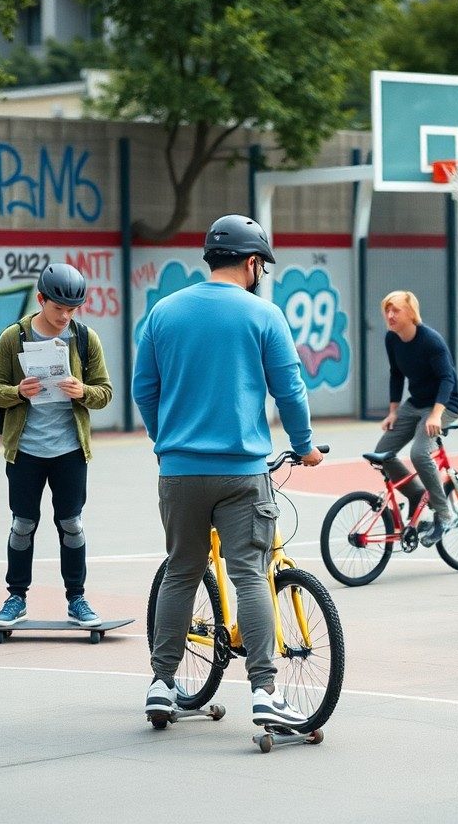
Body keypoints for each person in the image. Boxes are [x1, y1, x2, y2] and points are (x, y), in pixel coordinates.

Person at [132, 214, 324, 729]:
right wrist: (304, 446)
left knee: (181, 570)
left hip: (179, 471)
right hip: (242, 472)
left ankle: (161, 684)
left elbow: (143, 389)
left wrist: (166, 440)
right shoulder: (264, 315)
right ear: (253, 262)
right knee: (250, 575)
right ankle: (264, 691)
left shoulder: (164, 312)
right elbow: (290, 390)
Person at [0, 263, 113, 628]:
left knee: (72, 524)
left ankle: (77, 599)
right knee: (22, 525)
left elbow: (105, 392)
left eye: (73, 309)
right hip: (25, 451)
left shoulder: (85, 338)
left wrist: (83, 391)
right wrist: (17, 391)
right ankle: (16, 598)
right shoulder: (14, 337)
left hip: (70, 451)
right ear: (41, 299)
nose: (66, 316)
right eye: (59, 308)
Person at [374, 290, 458, 546]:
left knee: (420, 453)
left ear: (411, 313)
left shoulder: (431, 341)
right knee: (381, 454)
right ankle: (416, 494)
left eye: (396, 310)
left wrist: (436, 415)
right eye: (387, 310)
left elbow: (447, 379)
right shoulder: (392, 339)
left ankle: (444, 515)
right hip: (416, 403)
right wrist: (393, 411)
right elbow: (396, 374)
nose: (390, 315)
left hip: (444, 405)